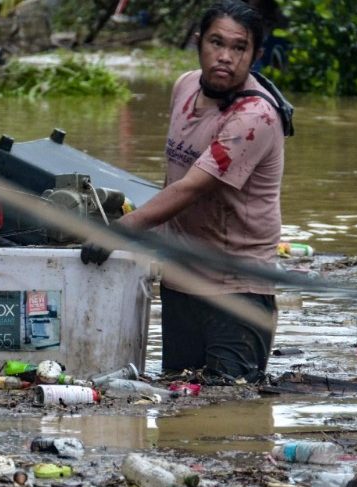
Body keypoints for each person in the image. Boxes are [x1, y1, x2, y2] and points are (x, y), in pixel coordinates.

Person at [81, 0, 285, 384]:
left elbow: (192, 187)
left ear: (255, 55)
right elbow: (172, 176)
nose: (225, 57)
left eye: (239, 48)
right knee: (180, 397)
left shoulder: (254, 117)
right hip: (180, 278)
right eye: (216, 43)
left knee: (231, 406)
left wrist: (122, 229)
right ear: (198, 43)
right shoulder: (185, 86)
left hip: (237, 287)